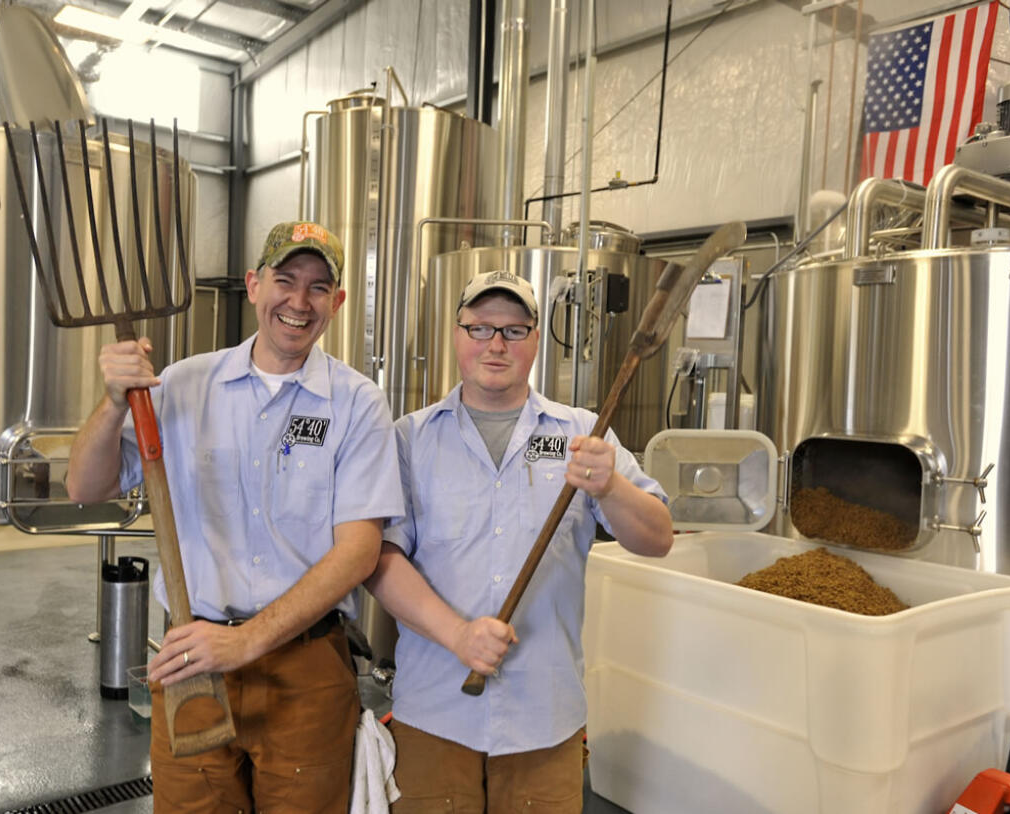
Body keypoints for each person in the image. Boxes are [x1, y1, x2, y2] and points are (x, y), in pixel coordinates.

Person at [66, 221, 404, 814]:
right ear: (253, 285)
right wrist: (113, 401)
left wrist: (246, 641)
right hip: (194, 658)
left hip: (306, 669)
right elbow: (84, 485)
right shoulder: (183, 384)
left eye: (319, 287)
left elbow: (358, 551)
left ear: (338, 302)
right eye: (285, 280)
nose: (299, 302)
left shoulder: (357, 404)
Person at [366, 270, 674, 812]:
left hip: (544, 721)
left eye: (514, 329)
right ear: (457, 335)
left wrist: (613, 486)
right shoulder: (410, 439)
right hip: (435, 715)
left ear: (536, 339)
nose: (496, 344)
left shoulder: (583, 433)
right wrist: (459, 635)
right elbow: (380, 561)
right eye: (481, 328)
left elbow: (657, 538)